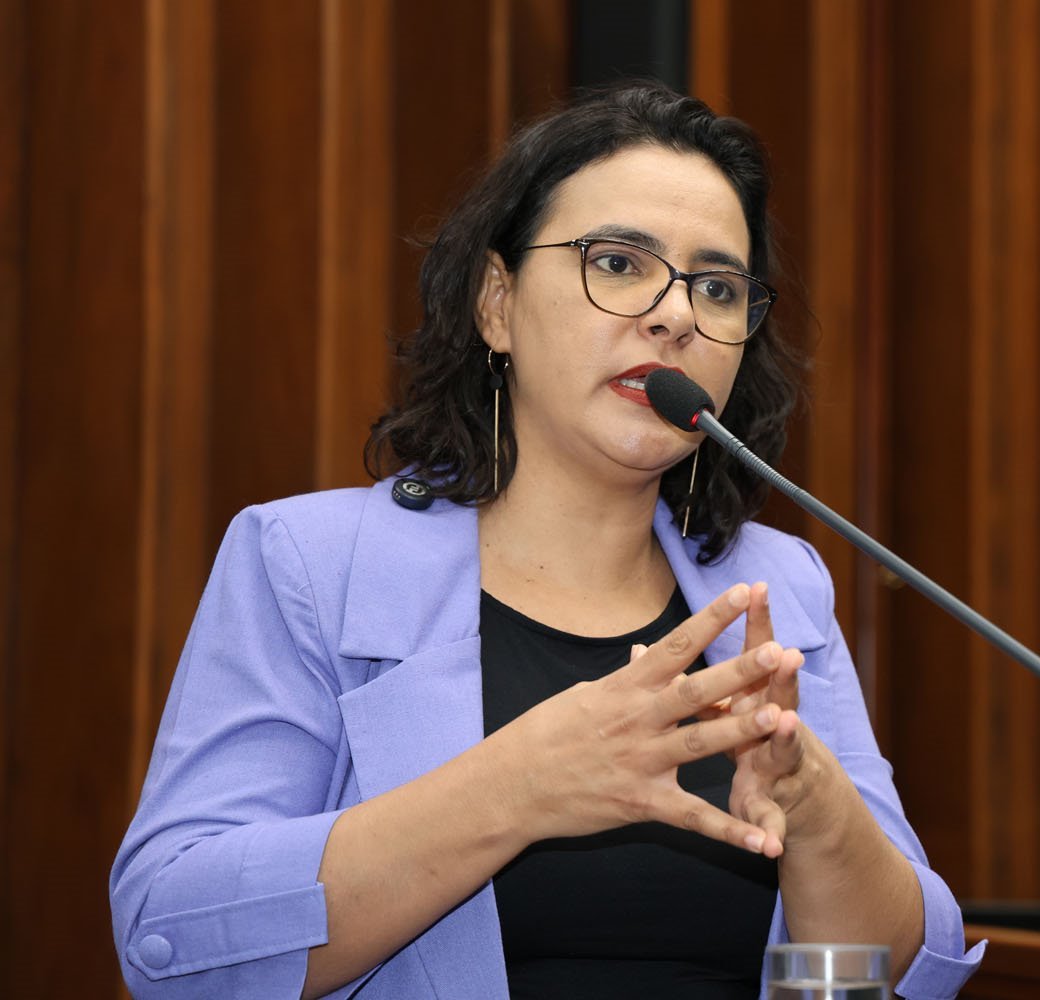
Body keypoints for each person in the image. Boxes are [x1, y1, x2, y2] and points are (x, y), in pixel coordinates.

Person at [109, 83, 984, 1000]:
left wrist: (816, 808)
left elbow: (905, 975)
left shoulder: (777, 588)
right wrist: (519, 787)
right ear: (497, 303)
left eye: (718, 288)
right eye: (619, 263)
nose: (675, 315)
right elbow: (173, 938)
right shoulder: (309, 562)